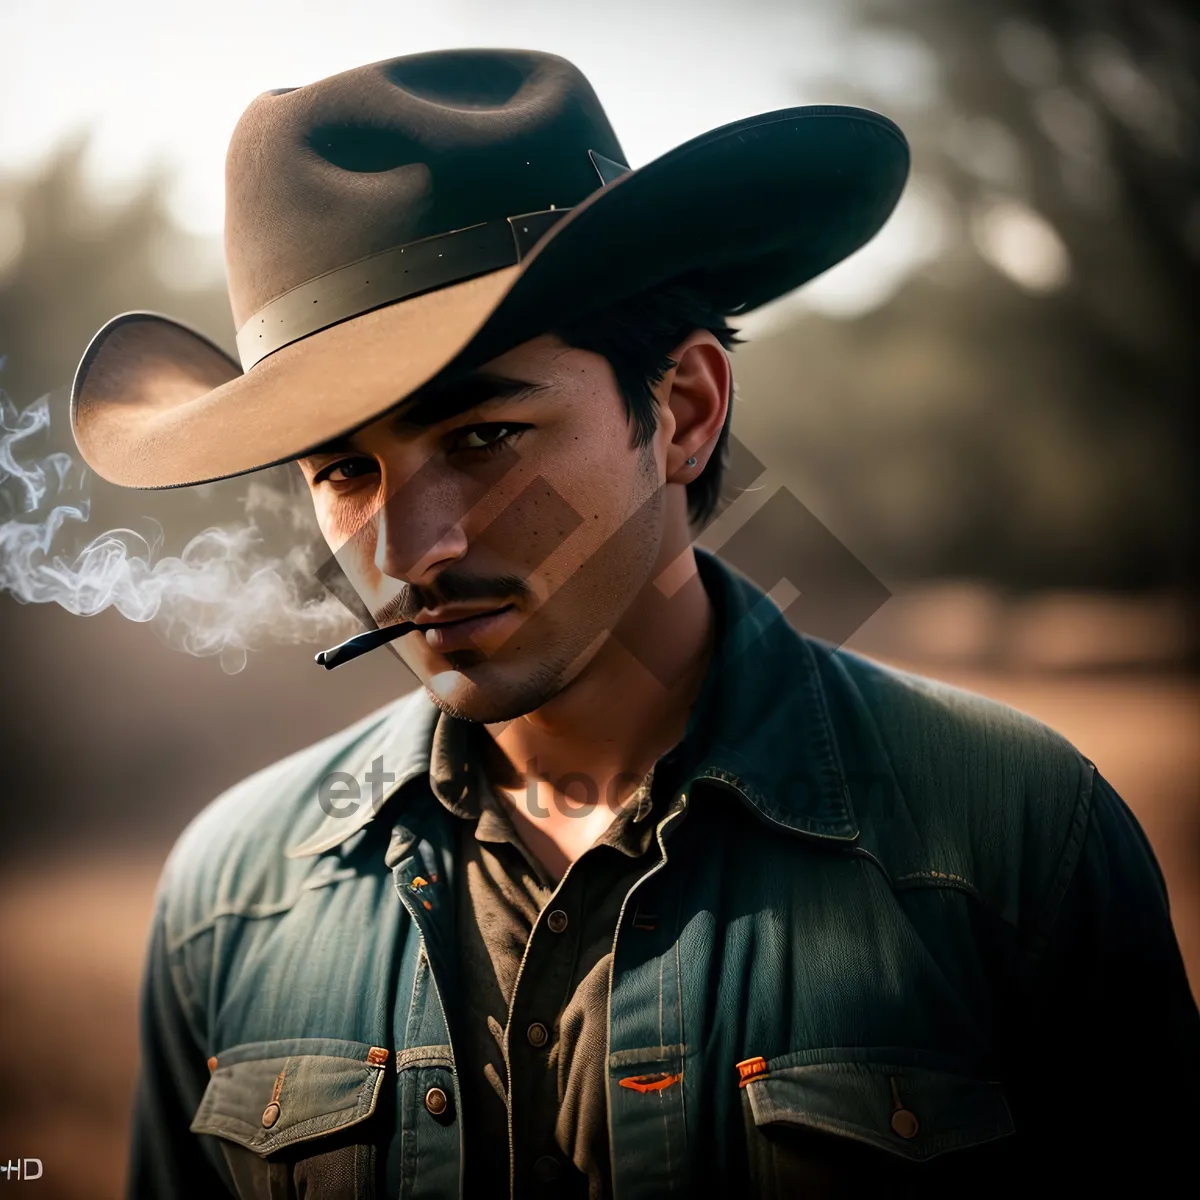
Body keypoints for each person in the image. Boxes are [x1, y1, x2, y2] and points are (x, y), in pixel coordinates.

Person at [72, 48, 1198, 1200]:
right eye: (346, 471)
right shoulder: (230, 898)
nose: (410, 552)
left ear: (684, 413)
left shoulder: (1013, 840)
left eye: (483, 439)